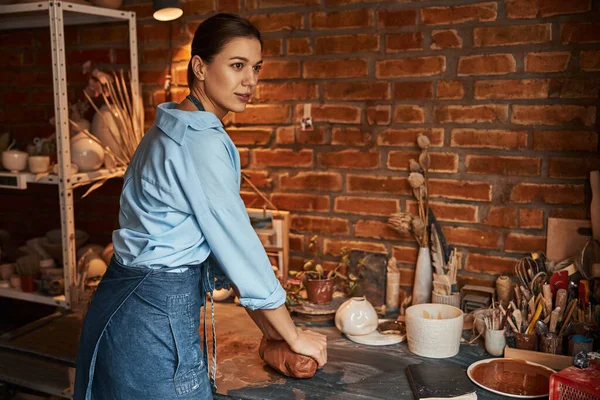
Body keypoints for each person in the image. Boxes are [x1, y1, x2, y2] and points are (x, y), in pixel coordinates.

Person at [74, 13, 327, 400]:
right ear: (200, 67)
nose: (250, 81)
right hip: (153, 324)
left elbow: (223, 252)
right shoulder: (200, 140)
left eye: (256, 68)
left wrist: (273, 335)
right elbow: (240, 248)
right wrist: (293, 335)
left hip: (118, 313)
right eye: (237, 65)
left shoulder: (164, 128)